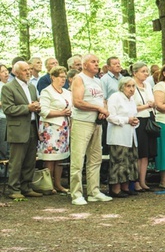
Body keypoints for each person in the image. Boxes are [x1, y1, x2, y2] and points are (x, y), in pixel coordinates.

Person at [69, 54, 112, 205]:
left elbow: (102, 100)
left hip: (96, 123)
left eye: (97, 61)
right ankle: (76, 194)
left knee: (95, 158)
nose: (96, 64)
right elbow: (77, 102)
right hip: (82, 122)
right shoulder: (79, 79)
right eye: (93, 62)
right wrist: (98, 107)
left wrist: (103, 109)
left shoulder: (98, 81)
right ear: (84, 65)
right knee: (78, 159)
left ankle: (94, 191)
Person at [2, 61, 43, 199]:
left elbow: (34, 104)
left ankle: (26, 187)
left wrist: (37, 106)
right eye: (25, 70)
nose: (28, 72)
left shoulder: (31, 87)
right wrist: (27, 108)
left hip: (32, 125)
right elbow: (8, 109)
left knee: (30, 159)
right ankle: (13, 188)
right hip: (18, 128)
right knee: (17, 160)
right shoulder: (8, 88)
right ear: (17, 72)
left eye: (29, 69)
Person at [37, 66, 72, 194]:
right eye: (61, 77)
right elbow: (43, 111)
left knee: (60, 158)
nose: (63, 79)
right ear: (53, 77)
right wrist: (61, 112)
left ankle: (58, 184)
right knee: (50, 158)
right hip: (50, 128)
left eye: (65, 77)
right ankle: (48, 185)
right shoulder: (47, 92)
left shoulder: (67, 92)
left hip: (63, 128)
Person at [106, 77, 140, 198]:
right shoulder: (115, 97)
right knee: (118, 161)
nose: (131, 89)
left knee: (130, 160)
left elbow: (134, 115)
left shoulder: (131, 100)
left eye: (133, 86)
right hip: (118, 134)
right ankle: (115, 188)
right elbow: (110, 116)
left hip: (130, 134)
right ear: (122, 87)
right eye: (128, 86)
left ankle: (125, 186)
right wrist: (127, 120)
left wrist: (135, 121)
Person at [132, 62, 157, 191]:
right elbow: (131, 106)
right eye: (143, 71)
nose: (146, 74)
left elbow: (152, 101)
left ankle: (143, 181)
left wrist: (151, 104)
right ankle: (135, 181)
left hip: (149, 119)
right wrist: (147, 105)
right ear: (135, 72)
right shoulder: (131, 86)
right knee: (139, 152)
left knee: (146, 153)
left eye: (147, 71)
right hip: (138, 120)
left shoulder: (147, 85)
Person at [0, 64, 10, 162]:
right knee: (4, 147)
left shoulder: (8, 85)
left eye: (6, 70)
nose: (6, 73)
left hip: (9, 118)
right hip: (2, 118)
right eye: (3, 71)